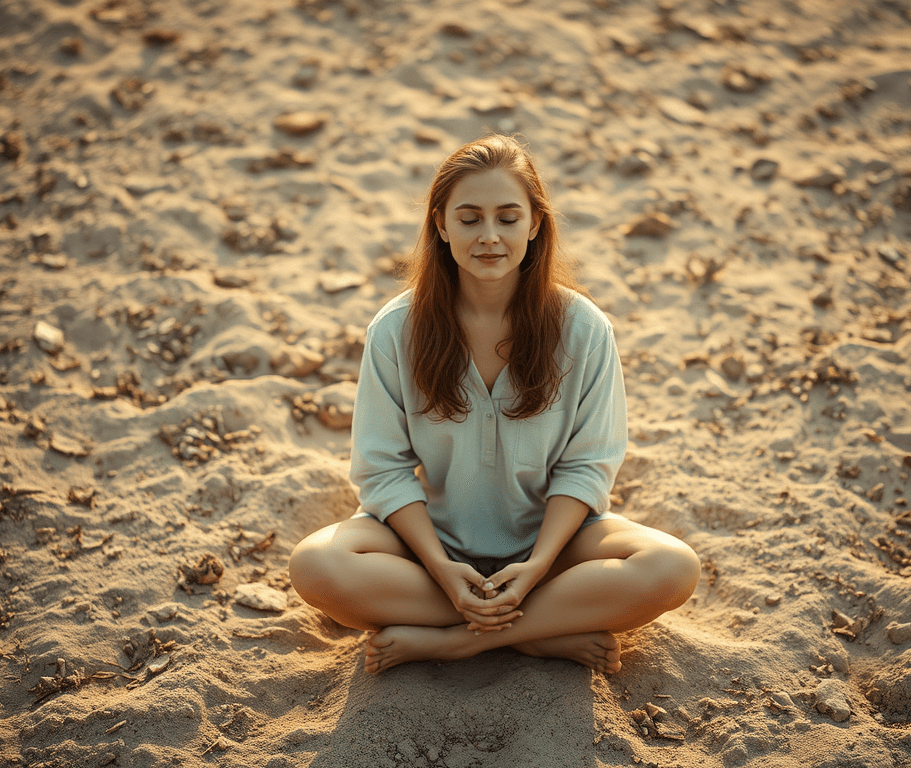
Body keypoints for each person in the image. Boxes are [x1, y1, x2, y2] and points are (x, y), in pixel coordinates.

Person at [289, 134, 700, 675]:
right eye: (469, 218)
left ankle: (463, 641)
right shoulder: (396, 330)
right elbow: (382, 467)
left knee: (673, 567)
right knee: (315, 566)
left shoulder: (583, 330)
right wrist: (439, 566)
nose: (489, 237)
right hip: (426, 548)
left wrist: (536, 565)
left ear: (534, 224)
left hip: (550, 551)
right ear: (440, 224)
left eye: (508, 218)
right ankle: (542, 630)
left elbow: (587, 467)